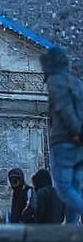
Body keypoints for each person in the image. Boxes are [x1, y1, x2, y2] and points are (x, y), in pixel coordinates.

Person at [41, 46, 83, 223]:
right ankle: (72, 228)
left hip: (66, 140)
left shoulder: (57, 80)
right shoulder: (77, 83)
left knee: (64, 188)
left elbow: (65, 109)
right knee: (75, 186)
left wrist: (76, 132)